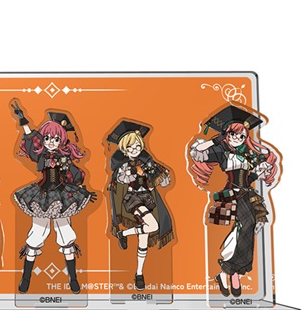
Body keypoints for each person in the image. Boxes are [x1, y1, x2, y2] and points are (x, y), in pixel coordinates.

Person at [190, 104, 278, 297]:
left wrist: (258, 173)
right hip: (231, 193)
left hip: (247, 193)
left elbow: (252, 175)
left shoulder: (248, 153)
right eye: (233, 135)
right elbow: (196, 151)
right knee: (245, 225)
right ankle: (230, 272)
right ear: (226, 135)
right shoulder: (222, 151)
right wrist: (217, 139)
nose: (237, 139)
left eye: (241, 136)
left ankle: (229, 273)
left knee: (248, 227)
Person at [12, 101, 96, 294]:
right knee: (37, 234)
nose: (51, 142)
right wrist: (23, 121)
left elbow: (76, 174)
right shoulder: (41, 155)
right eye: (47, 138)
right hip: (41, 195)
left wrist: (80, 188)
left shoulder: (64, 158)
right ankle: (26, 277)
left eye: (56, 139)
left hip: (62, 195)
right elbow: (31, 139)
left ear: (62, 141)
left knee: (65, 233)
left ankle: (73, 278)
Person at [107, 121, 174, 290]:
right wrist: (136, 172)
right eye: (131, 147)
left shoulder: (147, 161)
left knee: (143, 239)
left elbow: (164, 182)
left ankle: (139, 273)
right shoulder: (123, 166)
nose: (135, 149)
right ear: (124, 149)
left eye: (137, 146)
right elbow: (122, 180)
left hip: (148, 199)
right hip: (133, 199)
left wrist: (156, 173)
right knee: (153, 225)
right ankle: (123, 234)